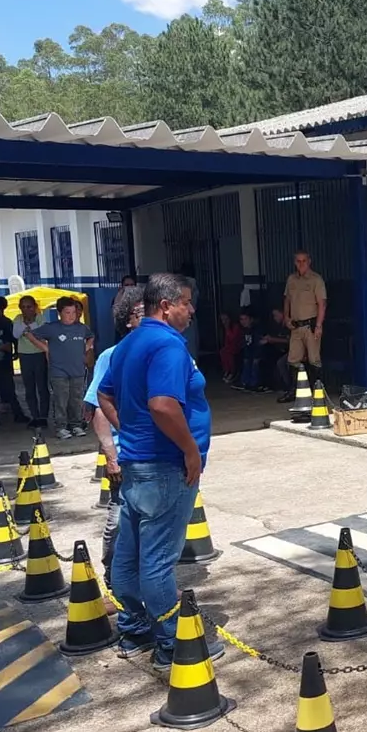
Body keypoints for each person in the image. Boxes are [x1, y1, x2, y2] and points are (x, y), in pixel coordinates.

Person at [97, 273, 216, 669]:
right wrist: (190, 451)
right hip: (166, 468)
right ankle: (171, 643)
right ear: (166, 306)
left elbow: (104, 392)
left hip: (137, 466)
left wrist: (128, 431)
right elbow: (164, 405)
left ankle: (136, 629)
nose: (191, 309)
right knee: (158, 562)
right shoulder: (167, 345)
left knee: (127, 558)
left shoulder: (129, 343)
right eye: (186, 302)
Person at [86, 284, 144, 585]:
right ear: (128, 321)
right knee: (119, 521)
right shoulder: (111, 356)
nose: (147, 319)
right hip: (126, 457)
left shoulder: (169, 351)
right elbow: (98, 410)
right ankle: (113, 581)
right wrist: (111, 456)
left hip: (159, 458)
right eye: (140, 314)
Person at [32, 297, 94, 439]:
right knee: (61, 399)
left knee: (76, 399)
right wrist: (45, 348)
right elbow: (31, 334)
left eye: (73, 312)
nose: (71, 316)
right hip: (58, 372)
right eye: (67, 312)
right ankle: (61, 427)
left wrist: (87, 346)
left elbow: (91, 336)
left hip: (78, 371)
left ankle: (76, 425)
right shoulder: (52, 328)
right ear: (60, 313)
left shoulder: (82, 328)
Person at [283, 250, 327, 384]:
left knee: (314, 359)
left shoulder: (316, 280)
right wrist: (286, 317)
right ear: (294, 262)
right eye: (298, 261)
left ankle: (317, 392)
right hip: (295, 326)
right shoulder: (291, 279)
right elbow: (287, 300)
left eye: (304, 261)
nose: (301, 264)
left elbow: (322, 303)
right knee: (293, 360)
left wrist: (319, 325)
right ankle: (294, 392)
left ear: (309, 262)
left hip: (310, 326)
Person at [12, 295, 50, 430]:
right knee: (29, 387)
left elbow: (41, 333)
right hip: (25, 355)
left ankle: (43, 416)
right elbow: (16, 334)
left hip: (39, 354)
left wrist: (27, 328)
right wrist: (28, 327)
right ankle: (34, 416)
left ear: (35, 307)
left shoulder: (41, 318)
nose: (26, 310)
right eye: (23, 307)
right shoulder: (17, 318)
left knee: (42, 386)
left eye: (29, 306)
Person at [234, 309, 265, 391]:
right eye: (241, 319)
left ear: (251, 319)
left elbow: (259, 343)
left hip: (257, 352)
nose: (243, 322)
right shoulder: (244, 330)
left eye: (245, 319)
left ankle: (254, 384)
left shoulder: (257, 329)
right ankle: (244, 382)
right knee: (246, 361)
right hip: (249, 352)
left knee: (254, 363)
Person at [217, 311, 243, 384]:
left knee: (228, 352)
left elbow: (234, 338)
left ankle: (232, 372)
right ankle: (227, 370)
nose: (224, 321)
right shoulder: (223, 328)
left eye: (226, 319)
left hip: (237, 345)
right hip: (229, 347)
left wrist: (227, 329)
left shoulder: (235, 327)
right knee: (223, 352)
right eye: (222, 320)